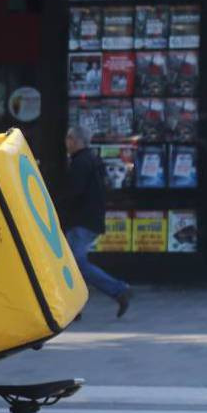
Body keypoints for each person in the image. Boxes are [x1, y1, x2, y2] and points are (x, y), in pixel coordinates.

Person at [62, 126, 133, 317]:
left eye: (69, 138)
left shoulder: (80, 163)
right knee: (71, 263)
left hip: (81, 221)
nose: (66, 142)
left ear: (77, 141)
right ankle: (75, 306)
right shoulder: (92, 160)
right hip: (89, 220)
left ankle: (118, 290)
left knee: (76, 263)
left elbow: (74, 193)